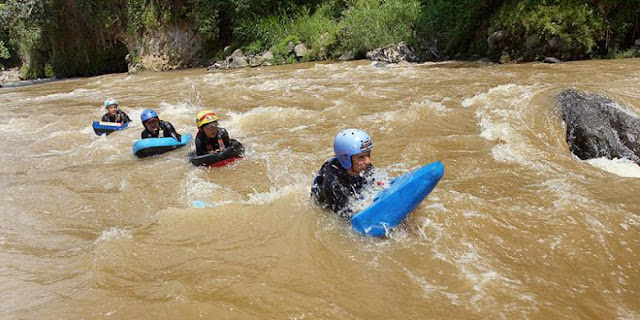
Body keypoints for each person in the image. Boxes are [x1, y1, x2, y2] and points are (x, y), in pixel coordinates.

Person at [311, 128, 377, 219]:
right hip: (328, 204)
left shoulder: (363, 166)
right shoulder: (333, 183)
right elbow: (347, 218)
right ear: (346, 159)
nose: (368, 161)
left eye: (368, 154)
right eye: (361, 157)